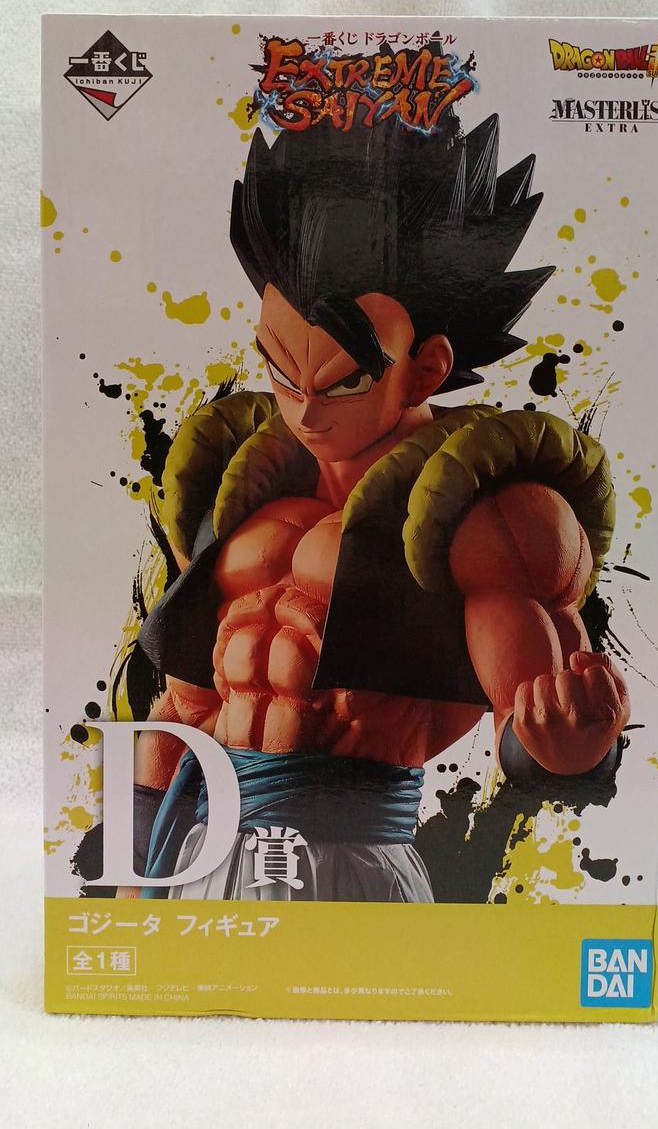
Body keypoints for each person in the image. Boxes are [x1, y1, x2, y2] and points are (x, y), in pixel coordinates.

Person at [129, 112, 628, 903]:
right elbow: (183, 711)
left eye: (344, 381)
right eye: (280, 370)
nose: (304, 410)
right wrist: (136, 886)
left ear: (426, 368)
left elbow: (531, 720)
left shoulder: (488, 521)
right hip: (204, 859)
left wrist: (572, 745)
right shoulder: (239, 495)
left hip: (354, 868)